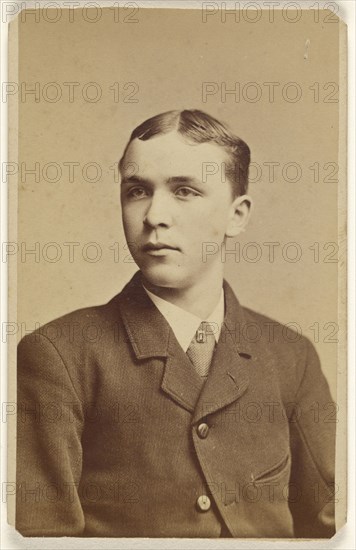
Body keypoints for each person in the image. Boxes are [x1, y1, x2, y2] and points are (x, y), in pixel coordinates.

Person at [16, 109, 336, 538]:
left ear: (236, 215)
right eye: (137, 191)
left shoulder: (290, 357)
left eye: (184, 191)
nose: (153, 216)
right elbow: (39, 538)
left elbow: (333, 528)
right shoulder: (60, 355)